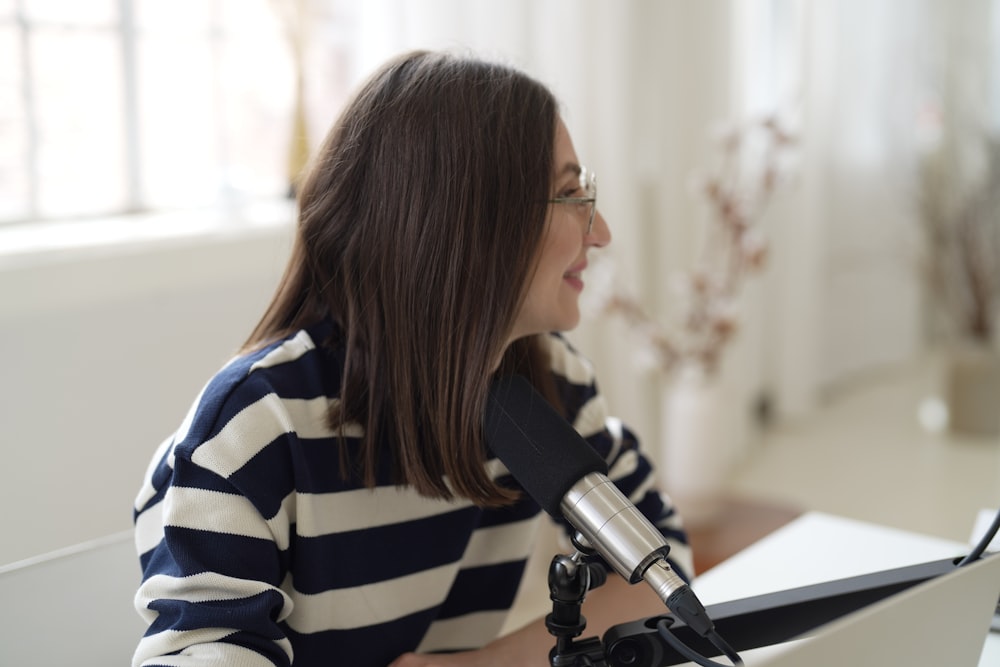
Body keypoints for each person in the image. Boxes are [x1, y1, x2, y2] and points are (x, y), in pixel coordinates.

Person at [132, 49, 693, 667]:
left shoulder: (553, 387)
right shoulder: (253, 430)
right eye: (569, 194)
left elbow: (667, 579)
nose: (601, 231)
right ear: (468, 224)